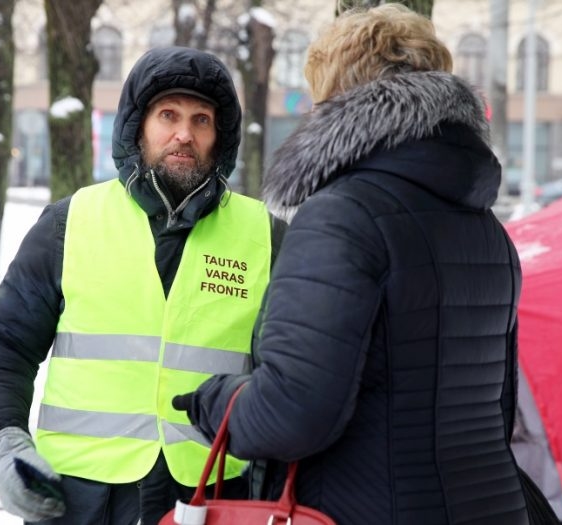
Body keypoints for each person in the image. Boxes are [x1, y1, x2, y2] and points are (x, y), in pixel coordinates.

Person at [175, 4, 538, 524]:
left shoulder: (342, 218)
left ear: (336, 97)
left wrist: (216, 401)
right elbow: (499, 408)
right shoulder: (486, 230)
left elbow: (291, 414)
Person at [0, 46, 285, 524]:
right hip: (80, 499)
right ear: (138, 126)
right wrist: (0, 439)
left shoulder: (265, 236)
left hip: (214, 496)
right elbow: (5, 341)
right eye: (168, 115)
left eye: (202, 120)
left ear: (221, 137)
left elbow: (296, 370)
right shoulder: (68, 222)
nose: (184, 133)